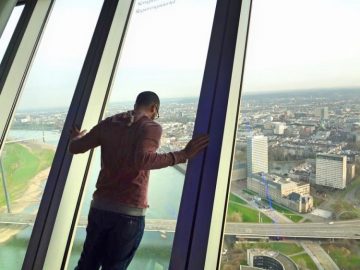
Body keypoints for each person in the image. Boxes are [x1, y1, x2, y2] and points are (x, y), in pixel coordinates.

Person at [69, 91, 209, 270]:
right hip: (128, 212)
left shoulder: (109, 123)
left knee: (86, 265)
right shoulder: (150, 127)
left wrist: (76, 137)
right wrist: (184, 155)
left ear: (136, 104)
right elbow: (143, 160)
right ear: (154, 108)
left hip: (100, 207)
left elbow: (75, 148)